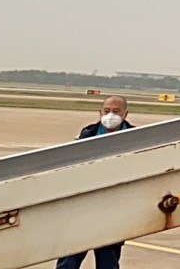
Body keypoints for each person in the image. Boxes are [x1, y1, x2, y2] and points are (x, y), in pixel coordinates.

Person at [56, 97, 133, 269]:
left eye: (116, 111)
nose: (110, 115)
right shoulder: (86, 136)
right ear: (100, 113)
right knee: (69, 262)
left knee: (108, 262)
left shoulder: (135, 137)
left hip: (114, 211)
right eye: (106, 111)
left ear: (125, 114)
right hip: (82, 209)